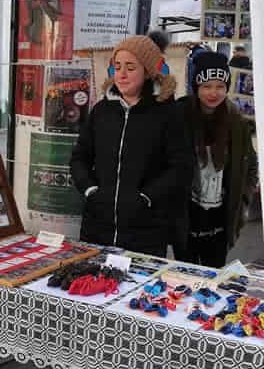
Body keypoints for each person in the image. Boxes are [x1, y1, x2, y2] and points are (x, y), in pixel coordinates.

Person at [70, 31, 193, 257]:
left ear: (147, 71)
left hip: (145, 231)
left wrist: (146, 197)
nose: (122, 74)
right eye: (117, 67)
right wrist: (89, 189)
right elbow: (80, 157)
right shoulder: (102, 111)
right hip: (97, 227)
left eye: (130, 67)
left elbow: (181, 167)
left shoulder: (167, 113)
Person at [173, 51, 258, 267]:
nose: (213, 93)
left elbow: (250, 164)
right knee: (185, 273)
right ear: (196, 87)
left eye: (220, 86)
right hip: (185, 218)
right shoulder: (179, 115)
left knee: (214, 276)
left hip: (221, 219)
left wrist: (244, 201)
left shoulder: (236, 121)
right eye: (206, 86)